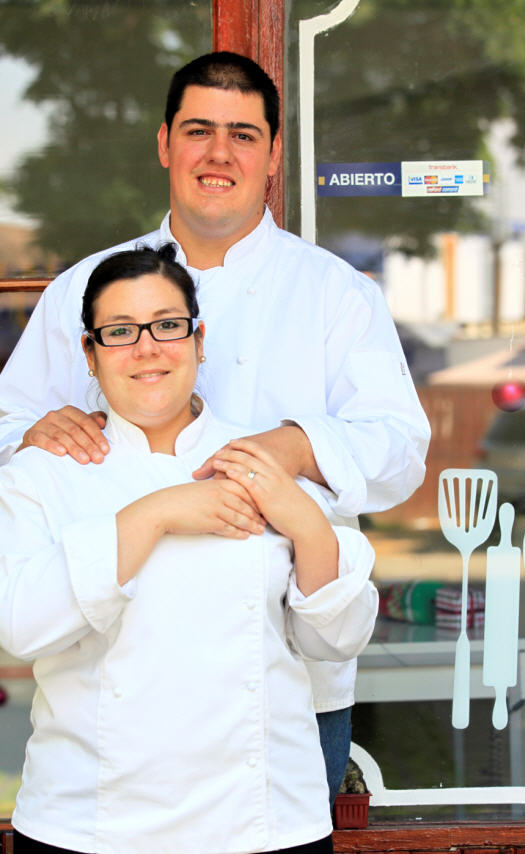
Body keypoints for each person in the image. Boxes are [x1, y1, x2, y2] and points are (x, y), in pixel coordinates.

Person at [0, 52, 430, 803]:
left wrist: (292, 446)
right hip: (111, 673)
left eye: (243, 134)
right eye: (199, 130)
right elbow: (9, 429)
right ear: (166, 144)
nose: (219, 154)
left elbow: (400, 452)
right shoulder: (84, 290)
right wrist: (37, 430)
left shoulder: (335, 292)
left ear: (271, 157)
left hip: (288, 675)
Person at [0, 245, 378, 854]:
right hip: (91, 826)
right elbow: (22, 627)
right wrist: (158, 514)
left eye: (167, 326)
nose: (147, 348)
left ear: (199, 341)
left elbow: (335, 641)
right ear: (89, 356)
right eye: (119, 332)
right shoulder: (44, 472)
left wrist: (306, 523)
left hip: (264, 822)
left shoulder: (263, 461)